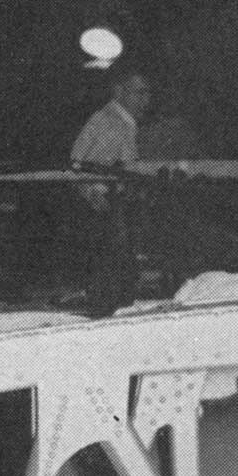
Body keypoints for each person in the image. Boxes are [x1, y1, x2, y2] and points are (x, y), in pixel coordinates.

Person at [70, 67, 152, 309]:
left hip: (113, 209)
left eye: (148, 93)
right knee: (111, 278)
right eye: (139, 93)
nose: (146, 100)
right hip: (106, 209)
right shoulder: (111, 122)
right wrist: (95, 194)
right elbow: (84, 165)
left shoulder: (121, 121)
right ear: (119, 92)